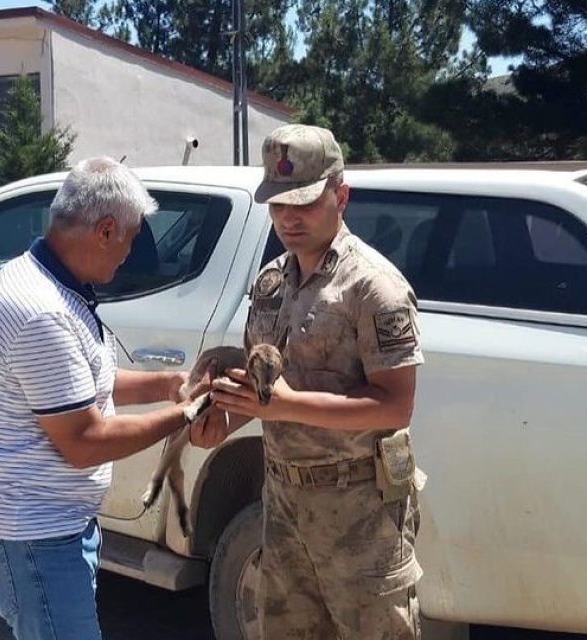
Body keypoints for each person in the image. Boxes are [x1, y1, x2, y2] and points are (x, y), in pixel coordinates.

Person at [192, 124, 426, 638]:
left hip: (360, 511)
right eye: (277, 205)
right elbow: (265, 390)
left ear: (340, 196)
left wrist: (285, 407)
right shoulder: (273, 282)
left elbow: (394, 406)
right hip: (283, 506)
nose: (288, 218)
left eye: (304, 203)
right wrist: (225, 418)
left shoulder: (373, 288)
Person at [0, 156, 200, 640]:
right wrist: (186, 414)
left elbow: (84, 386)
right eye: (132, 237)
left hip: (47, 531)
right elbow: (84, 439)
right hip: (32, 537)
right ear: (106, 230)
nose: (131, 252)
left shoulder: (49, 281)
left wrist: (167, 384)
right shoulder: (41, 310)